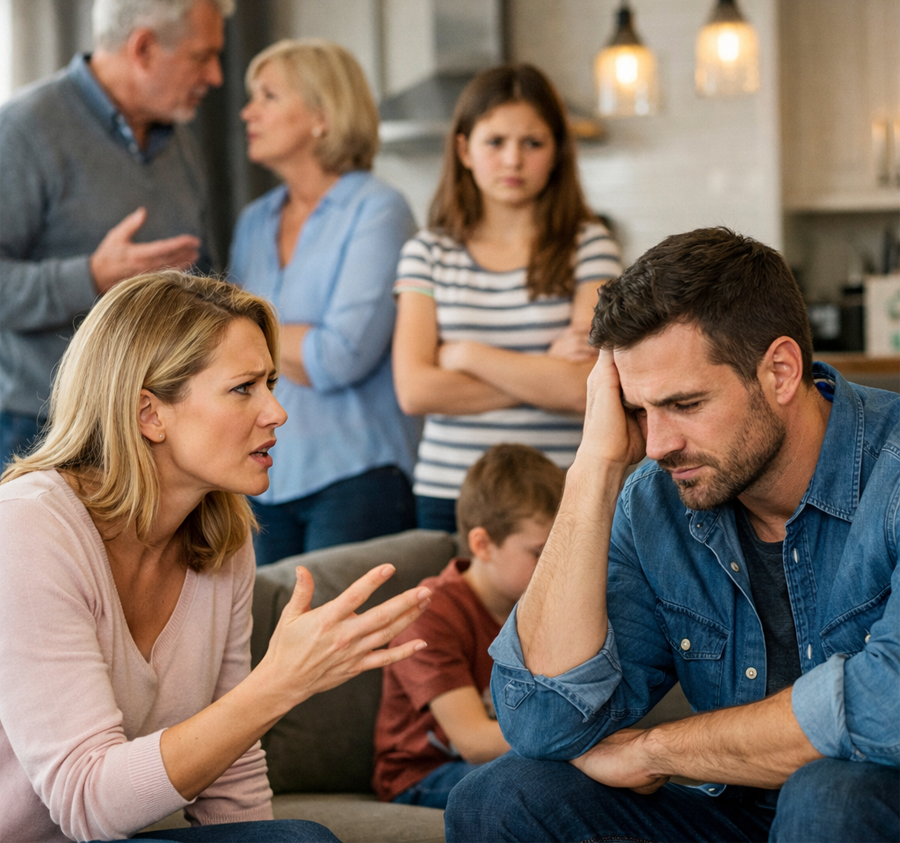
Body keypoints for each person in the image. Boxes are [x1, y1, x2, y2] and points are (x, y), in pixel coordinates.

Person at [444, 228, 900, 843]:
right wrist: (594, 470)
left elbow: (886, 705)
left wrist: (655, 750)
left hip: (868, 805)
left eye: (684, 405)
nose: (656, 445)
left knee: (830, 793)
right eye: (638, 410)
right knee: (501, 796)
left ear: (781, 371)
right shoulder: (656, 497)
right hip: (741, 816)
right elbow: (540, 720)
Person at [0, 271, 432, 843]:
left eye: (272, 383)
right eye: (244, 387)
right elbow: (87, 804)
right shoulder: (28, 528)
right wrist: (278, 684)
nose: (276, 412)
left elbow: (234, 778)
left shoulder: (221, 540)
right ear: (149, 413)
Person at [0, 0, 230, 468]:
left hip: (151, 426)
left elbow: (200, 269)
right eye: (201, 56)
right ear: (144, 48)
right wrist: (93, 276)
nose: (215, 76)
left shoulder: (181, 142)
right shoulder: (23, 131)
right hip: (40, 429)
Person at [392, 63, 622, 533]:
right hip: (450, 492)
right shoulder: (426, 252)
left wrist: (463, 354)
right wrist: (543, 369)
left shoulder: (590, 245)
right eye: (495, 142)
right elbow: (414, 390)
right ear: (465, 150)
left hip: (559, 485)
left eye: (532, 143)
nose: (513, 160)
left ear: (557, 152)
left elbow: (585, 389)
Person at [229, 39, 419, 563]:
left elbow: (339, 358)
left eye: (268, 96)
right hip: (263, 470)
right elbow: (225, 352)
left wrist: (248, 337)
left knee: (345, 641)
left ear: (321, 115)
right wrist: (285, 340)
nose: (249, 111)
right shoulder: (254, 219)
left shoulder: (379, 208)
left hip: (358, 475)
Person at [373, 444, 565, 809]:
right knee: (550, 784)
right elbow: (473, 742)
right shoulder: (428, 611)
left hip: (515, 759)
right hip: (423, 773)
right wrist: (582, 740)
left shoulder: (543, 606)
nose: (557, 568)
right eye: (540, 553)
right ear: (483, 544)